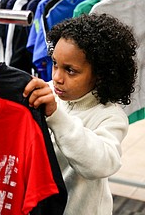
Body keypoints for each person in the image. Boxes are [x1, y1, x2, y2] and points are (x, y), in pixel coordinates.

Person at [23, 13, 138, 215]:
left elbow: (101, 163)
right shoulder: (49, 93)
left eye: (70, 70)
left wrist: (57, 117)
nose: (57, 77)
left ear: (101, 75)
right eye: (55, 64)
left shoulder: (109, 115)